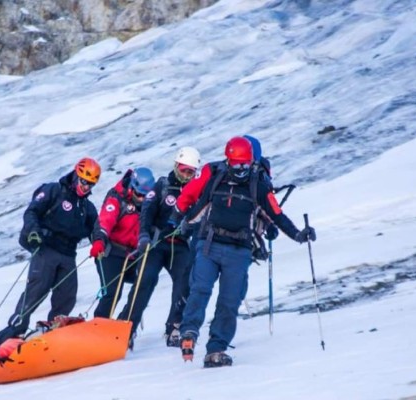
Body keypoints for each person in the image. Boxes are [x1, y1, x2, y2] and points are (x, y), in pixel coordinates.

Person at [171, 136, 316, 368]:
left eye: (245, 165)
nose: (241, 170)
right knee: (200, 289)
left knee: (229, 302)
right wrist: (179, 220)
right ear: (227, 161)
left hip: (239, 251)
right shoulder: (214, 175)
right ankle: (189, 332)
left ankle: (216, 350)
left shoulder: (258, 184)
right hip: (209, 244)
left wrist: (299, 235)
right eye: (236, 165)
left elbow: (276, 214)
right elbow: (195, 201)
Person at [0, 158, 101, 358]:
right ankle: (9, 338)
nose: (85, 187)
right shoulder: (53, 191)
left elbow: (96, 229)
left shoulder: (87, 208)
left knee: (66, 297)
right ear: (76, 176)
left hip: (68, 255)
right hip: (46, 249)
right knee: (36, 292)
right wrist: (33, 231)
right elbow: (31, 212)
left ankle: (54, 335)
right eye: (83, 182)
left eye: (90, 184)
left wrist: (99, 242)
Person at [117, 147, 201, 348]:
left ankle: (174, 327)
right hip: (156, 243)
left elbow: (199, 218)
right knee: (144, 282)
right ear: (176, 166)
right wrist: (144, 235)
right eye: (183, 170)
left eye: (190, 172)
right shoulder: (162, 185)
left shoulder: (196, 192)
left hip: (179, 245)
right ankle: (126, 328)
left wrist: (189, 227)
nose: (186, 175)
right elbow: (147, 211)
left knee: (184, 283)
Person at [90, 167, 156, 324]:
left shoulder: (149, 204)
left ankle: (126, 322)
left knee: (146, 281)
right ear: (132, 186)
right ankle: (99, 325)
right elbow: (105, 221)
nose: (141, 199)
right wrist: (99, 240)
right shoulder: (116, 199)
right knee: (113, 292)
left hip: (134, 255)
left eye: (145, 196)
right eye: (139, 194)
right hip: (111, 252)